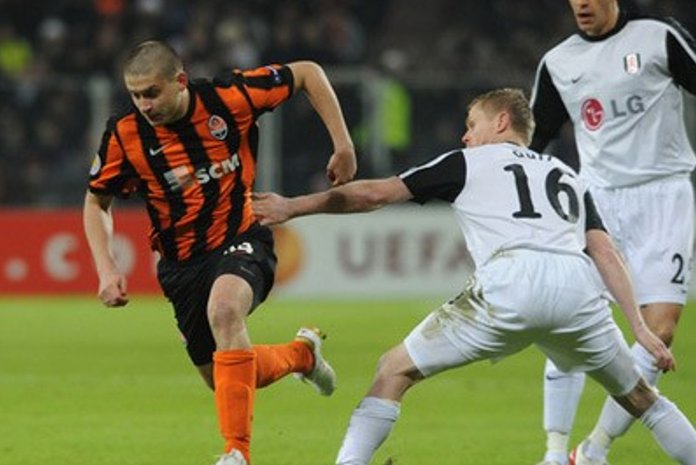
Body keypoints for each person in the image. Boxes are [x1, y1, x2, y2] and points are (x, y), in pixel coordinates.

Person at [252, 88, 696, 465]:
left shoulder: (469, 162)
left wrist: (294, 206)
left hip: (511, 280)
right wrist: (639, 327)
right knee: (643, 400)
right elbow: (604, 251)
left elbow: (373, 194)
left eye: (472, 124)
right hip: (577, 289)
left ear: (501, 121)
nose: (465, 136)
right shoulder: (566, 174)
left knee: (392, 369)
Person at [83, 40, 357, 465]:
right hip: (180, 265)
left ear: (180, 81)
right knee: (225, 376)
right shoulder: (125, 134)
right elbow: (96, 202)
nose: (144, 105)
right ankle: (301, 355)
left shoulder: (229, 98)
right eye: (135, 95)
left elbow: (308, 71)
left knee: (225, 310)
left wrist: (343, 145)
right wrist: (106, 268)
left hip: (242, 236)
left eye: (152, 93)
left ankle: (236, 454)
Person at [528, 1, 696, 464]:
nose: (581, 3)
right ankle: (554, 453)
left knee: (661, 330)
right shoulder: (558, 62)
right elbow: (532, 141)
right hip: (597, 201)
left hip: (664, 196)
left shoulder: (658, 37)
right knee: (568, 319)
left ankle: (594, 449)